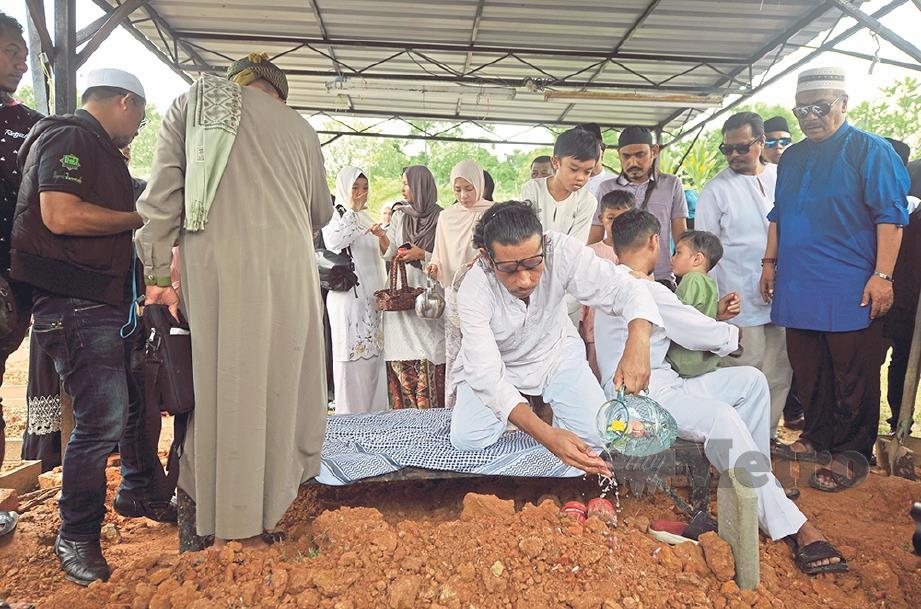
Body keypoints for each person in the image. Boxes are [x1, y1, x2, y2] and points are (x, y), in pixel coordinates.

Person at [135, 54, 332, 547]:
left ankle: (224, 526)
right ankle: (265, 515)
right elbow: (321, 211)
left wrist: (158, 275)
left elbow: (161, 202)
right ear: (278, 94)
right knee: (278, 390)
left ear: (237, 83)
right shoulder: (301, 129)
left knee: (224, 391)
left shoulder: (194, 105)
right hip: (290, 271)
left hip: (220, 267)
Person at [596, 209, 849, 575]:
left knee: (750, 381)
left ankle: (757, 488)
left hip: (663, 385)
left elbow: (685, 322)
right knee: (722, 417)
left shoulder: (615, 284)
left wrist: (716, 325)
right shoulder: (645, 290)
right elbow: (700, 332)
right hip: (646, 401)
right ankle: (792, 526)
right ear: (655, 242)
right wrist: (735, 336)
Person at [10, 68, 147, 585]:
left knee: (116, 414)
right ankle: (77, 535)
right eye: (138, 117)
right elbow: (60, 215)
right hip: (74, 302)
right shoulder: (70, 136)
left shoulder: (97, 148)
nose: (137, 128)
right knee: (100, 423)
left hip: (95, 301)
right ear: (124, 102)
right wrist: (137, 218)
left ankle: (125, 500)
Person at [759, 67, 910, 491]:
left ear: (843, 103)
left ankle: (852, 452)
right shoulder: (792, 157)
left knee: (853, 372)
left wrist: (883, 276)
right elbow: (779, 215)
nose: (809, 117)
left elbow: (891, 218)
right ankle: (818, 437)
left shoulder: (871, 151)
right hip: (798, 286)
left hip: (851, 286)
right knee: (810, 370)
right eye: (801, 109)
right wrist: (769, 262)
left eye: (819, 108)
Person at [450, 200, 660, 476]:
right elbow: (486, 376)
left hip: (554, 352)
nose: (525, 280)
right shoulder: (474, 289)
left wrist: (638, 342)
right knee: (467, 440)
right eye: (510, 269)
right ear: (487, 259)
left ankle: (551, 419)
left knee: (596, 438)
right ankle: (520, 419)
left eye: (533, 264)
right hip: (498, 365)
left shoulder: (560, 251)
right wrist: (547, 436)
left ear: (544, 247)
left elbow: (625, 289)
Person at [696, 112, 792, 440]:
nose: (734, 156)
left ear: (761, 142)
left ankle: (765, 436)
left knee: (779, 368)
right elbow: (703, 251)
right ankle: (733, 437)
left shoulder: (784, 177)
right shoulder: (716, 189)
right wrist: (711, 302)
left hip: (783, 289)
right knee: (743, 367)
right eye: (728, 150)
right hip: (737, 294)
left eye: (742, 148)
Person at [0, 10, 42, 552]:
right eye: (12, 49)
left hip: (13, 282)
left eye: (24, 51)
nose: (22, 60)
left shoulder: (29, 122)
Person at [369, 165, 446, 409]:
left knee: (429, 353)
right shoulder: (400, 214)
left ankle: (431, 416)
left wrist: (422, 253)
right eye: (402, 183)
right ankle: (403, 419)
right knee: (401, 356)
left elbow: (448, 258)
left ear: (422, 186)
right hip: (401, 293)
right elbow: (390, 251)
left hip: (426, 292)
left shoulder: (442, 217)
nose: (403, 189)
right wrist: (382, 237)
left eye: (407, 184)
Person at [322, 167, 387, 414]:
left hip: (371, 299)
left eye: (364, 188)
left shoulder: (368, 218)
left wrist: (382, 236)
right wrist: (351, 210)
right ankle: (351, 418)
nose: (360, 194)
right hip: (348, 299)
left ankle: (376, 417)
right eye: (355, 188)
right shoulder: (335, 217)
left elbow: (383, 253)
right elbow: (335, 242)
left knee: (373, 359)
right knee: (351, 360)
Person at [428, 160, 493, 407]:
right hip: (454, 293)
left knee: (485, 346)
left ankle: (488, 405)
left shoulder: (492, 212)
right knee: (455, 351)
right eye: (458, 190)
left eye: (469, 188)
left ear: (480, 185)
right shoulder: (446, 216)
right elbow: (439, 253)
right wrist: (434, 266)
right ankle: (455, 406)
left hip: (484, 291)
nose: (464, 196)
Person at [590, 126, 688, 289]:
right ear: (619, 156)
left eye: (640, 155)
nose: (633, 162)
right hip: (618, 277)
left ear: (654, 151)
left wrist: (688, 274)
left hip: (661, 278)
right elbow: (595, 237)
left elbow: (681, 237)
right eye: (626, 156)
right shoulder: (606, 188)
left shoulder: (671, 184)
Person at [521, 127, 600, 325]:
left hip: (567, 288)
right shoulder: (532, 189)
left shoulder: (587, 201)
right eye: (574, 169)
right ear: (556, 162)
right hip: (530, 281)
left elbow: (573, 249)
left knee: (564, 345)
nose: (581, 177)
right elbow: (527, 238)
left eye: (588, 172)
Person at [666, 230, 740, 377]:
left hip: (683, 359)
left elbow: (679, 316)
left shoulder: (691, 279)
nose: (672, 258)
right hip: (703, 361)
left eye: (678, 253)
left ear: (697, 259)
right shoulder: (709, 283)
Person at [883, 142, 920, 433]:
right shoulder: (909, 177)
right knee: (902, 357)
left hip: (907, 291)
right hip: (896, 292)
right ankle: (899, 423)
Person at [579, 190, 634, 381]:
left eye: (624, 218)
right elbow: (582, 295)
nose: (617, 224)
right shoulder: (590, 253)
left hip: (627, 329)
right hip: (594, 330)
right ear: (601, 218)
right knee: (596, 377)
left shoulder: (637, 252)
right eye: (611, 218)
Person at [577, 123, 610, 200]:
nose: (588, 153)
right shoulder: (569, 185)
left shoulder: (615, 183)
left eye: (593, 148)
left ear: (602, 151)